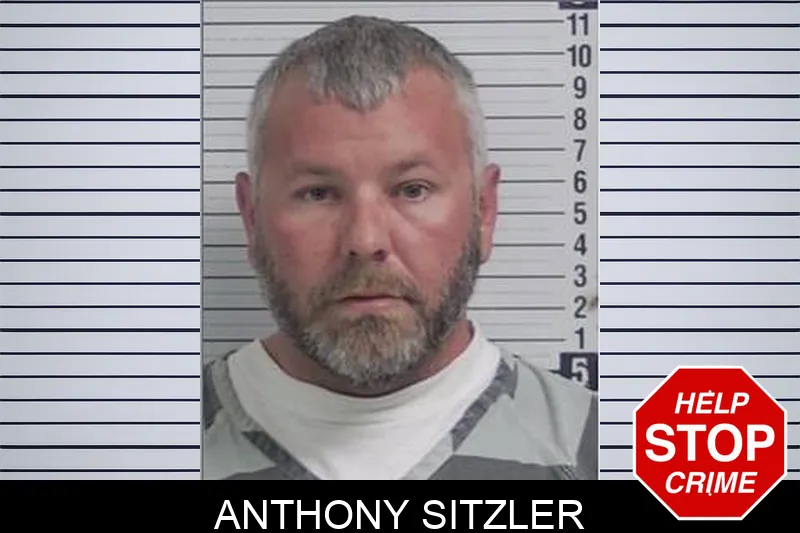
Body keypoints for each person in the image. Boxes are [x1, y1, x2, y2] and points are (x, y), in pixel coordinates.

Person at [203, 14, 597, 480]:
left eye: (413, 190)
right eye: (318, 193)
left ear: (484, 211)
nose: (365, 240)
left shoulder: (606, 452)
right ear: (252, 218)